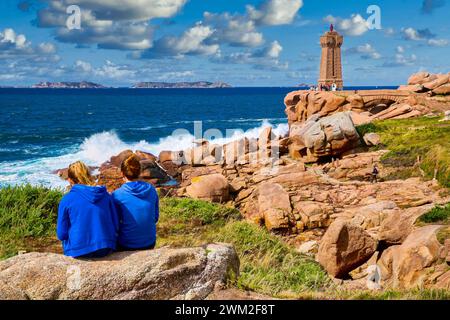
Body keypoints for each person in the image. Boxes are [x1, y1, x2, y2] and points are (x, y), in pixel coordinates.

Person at [57, 161, 119, 258]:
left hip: (79, 251)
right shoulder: (105, 195)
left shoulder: (66, 199)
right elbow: (116, 225)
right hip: (105, 248)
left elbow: (61, 234)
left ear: (70, 180)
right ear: (88, 175)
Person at [112, 154, 159, 251]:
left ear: (122, 173)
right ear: (140, 171)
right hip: (149, 242)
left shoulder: (117, 195)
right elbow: (155, 217)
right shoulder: (151, 189)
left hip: (126, 245)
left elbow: (114, 224)